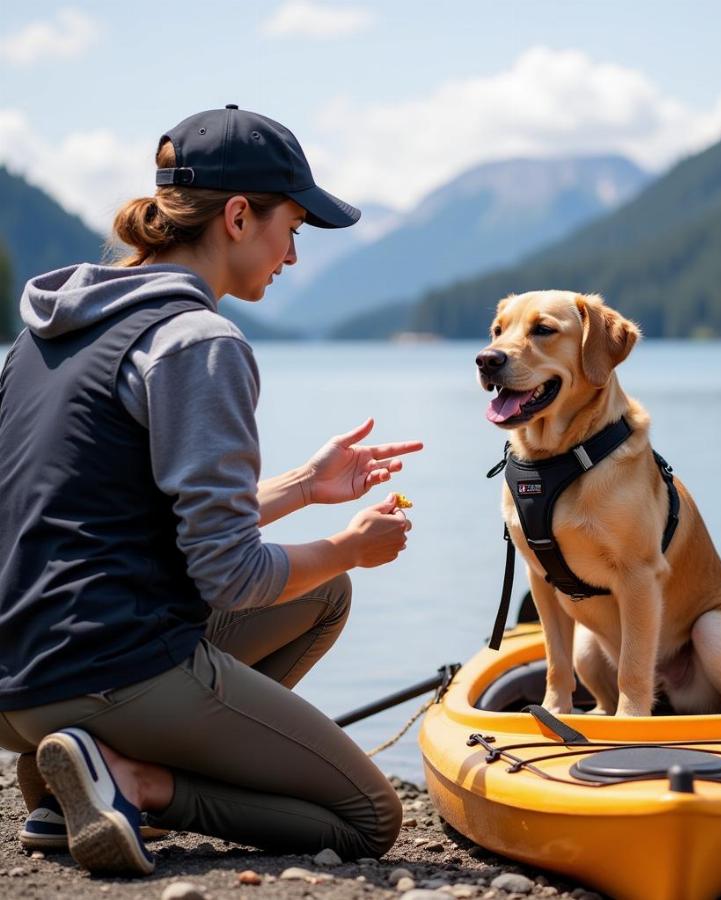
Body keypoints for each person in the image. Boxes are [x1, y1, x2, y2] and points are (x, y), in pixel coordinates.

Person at [0, 104, 422, 876]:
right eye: (292, 228)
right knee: (370, 820)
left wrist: (301, 486)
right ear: (237, 217)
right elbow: (231, 576)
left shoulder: (41, 336)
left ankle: (72, 777)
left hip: (17, 676)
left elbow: (103, 515)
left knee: (321, 595)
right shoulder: (198, 342)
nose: (293, 254)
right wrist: (351, 549)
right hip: (108, 669)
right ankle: (137, 781)